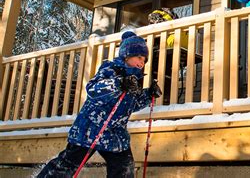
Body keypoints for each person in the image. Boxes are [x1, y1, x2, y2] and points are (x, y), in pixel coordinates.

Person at [37, 31, 162, 178]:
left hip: (115, 134)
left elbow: (131, 105)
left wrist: (148, 95)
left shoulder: (133, 80)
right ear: (126, 55)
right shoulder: (110, 70)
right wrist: (118, 84)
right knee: (68, 164)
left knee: (124, 168)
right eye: (139, 57)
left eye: (144, 60)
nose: (142, 63)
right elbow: (93, 89)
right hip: (91, 129)